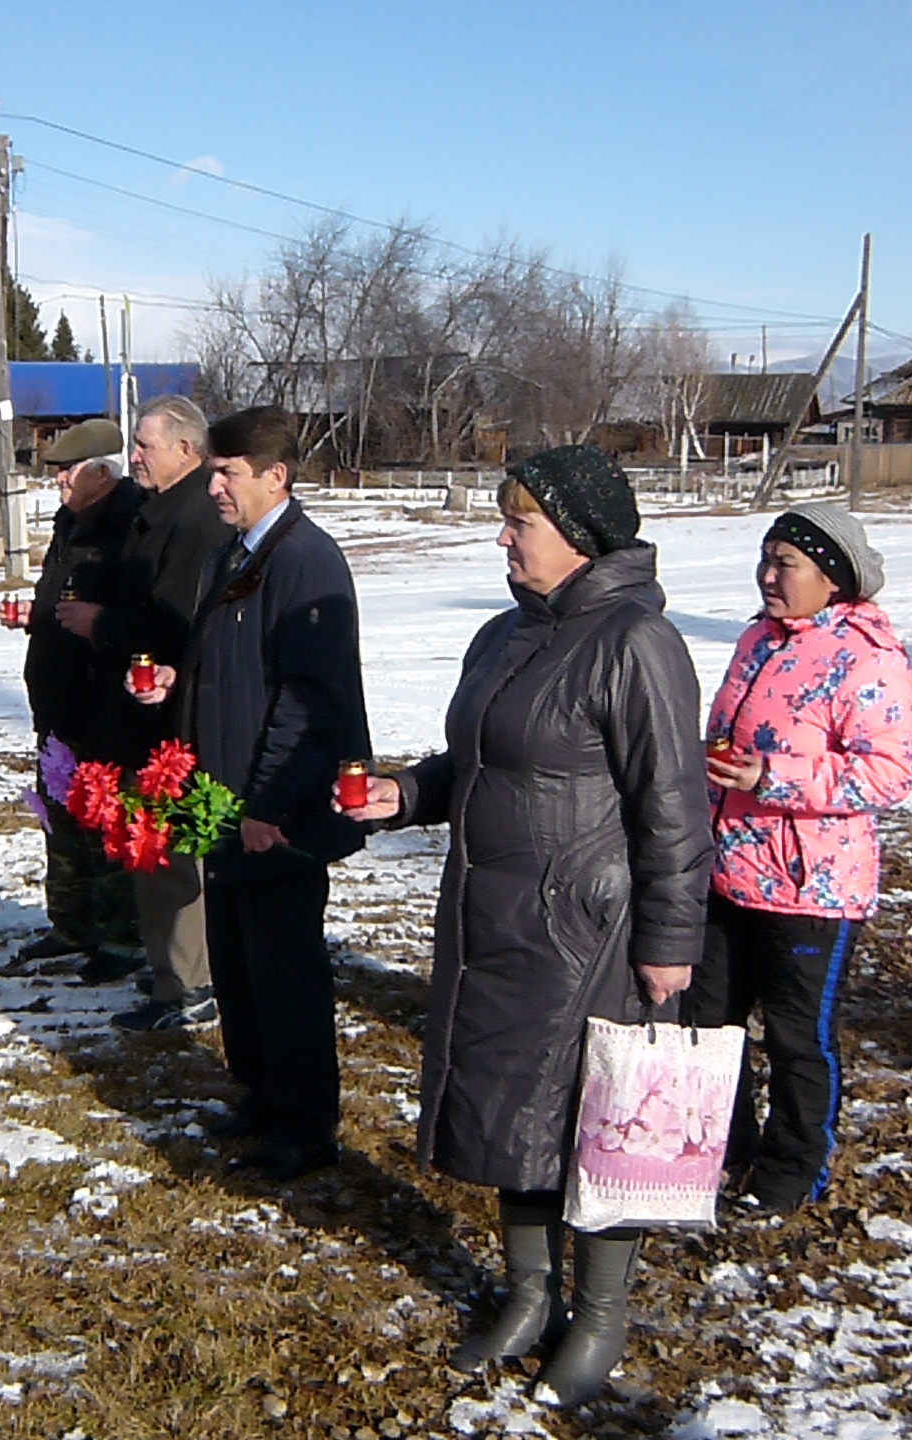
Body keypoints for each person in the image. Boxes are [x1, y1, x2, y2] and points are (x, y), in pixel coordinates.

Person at [340, 445, 711, 1405]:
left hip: (587, 928)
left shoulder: (636, 642)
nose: (503, 539)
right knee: (517, 1110)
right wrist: (407, 792)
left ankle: (598, 1319)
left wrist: (670, 944)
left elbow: (673, 807)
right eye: (505, 520)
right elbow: (479, 764)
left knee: (594, 1121)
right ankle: (530, 1293)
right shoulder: (506, 635)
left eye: (522, 523)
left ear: (582, 538)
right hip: (492, 913)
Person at [130, 405, 369, 1181]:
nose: (216, 488)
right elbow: (227, 660)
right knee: (237, 964)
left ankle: (304, 1125)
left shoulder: (307, 561)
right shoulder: (232, 555)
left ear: (277, 475)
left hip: (276, 809)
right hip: (223, 801)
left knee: (285, 969)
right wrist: (178, 679)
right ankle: (260, 1094)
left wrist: (271, 803)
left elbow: (310, 698)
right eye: (215, 472)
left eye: (229, 473)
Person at [692, 500, 912, 1214]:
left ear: (831, 575)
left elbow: (889, 775)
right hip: (726, 871)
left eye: (784, 563)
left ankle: (791, 1174)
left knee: (796, 1040)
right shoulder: (757, 640)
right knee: (709, 1027)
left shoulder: (867, 658)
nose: (767, 575)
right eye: (764, 559)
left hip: (811, 890)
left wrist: (775, 778)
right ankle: (719, 1154)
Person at [67, 395, 232, 1031]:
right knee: (147, 851)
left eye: (146, 445)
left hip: (167, 721)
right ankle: (168, 967)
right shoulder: (154, 512)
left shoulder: (193, 521)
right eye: (136, 445)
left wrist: (104, 623)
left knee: (169, 852)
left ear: (186, 450)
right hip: (133, 716)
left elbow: (179, 623)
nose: (135, 456)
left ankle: (191, 983)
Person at [15, 419, 149, 978]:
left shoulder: (132, 522)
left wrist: (102, 625)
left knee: (108, 822)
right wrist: (34, 616)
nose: (57, 483)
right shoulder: (69, 524)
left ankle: (120, 940)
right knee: (62, 819)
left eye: (65, 472)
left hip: (105, 702)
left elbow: (145, 615)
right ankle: (71, 925)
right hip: (58, 699)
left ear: (101, 471)